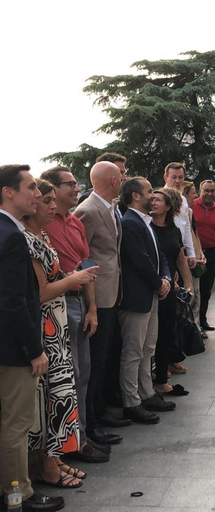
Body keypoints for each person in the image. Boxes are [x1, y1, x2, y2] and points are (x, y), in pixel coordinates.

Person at [24, 179, 100, 489]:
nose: (53, 206)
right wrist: (74, 279)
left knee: (60, 393)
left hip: (55, 325)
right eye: (46, 201)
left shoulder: (40, 233)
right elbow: (40, 292)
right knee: (48, 397)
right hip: (45, 326)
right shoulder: (26, 238)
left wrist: (72, 278)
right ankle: (46, 463)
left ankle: (54, 457)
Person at [0, 164, 64, 512]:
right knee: (16, 425)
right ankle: (17, 496)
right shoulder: (11, 235)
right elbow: (13, 302)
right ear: (8, 192)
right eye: (30, 188)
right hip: (13, 350)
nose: (37, 195)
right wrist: (34, 350)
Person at [39, 166, 107, 464]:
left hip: (78, 301)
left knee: (83, 372)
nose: (77, 188)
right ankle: (68, 444)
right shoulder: (41, 225)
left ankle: (78, 436)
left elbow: (85, 267)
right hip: (56, 304)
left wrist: (92, 308)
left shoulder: (74, 222)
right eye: (70, 184)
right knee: (68, 376)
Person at [74, 161, 130, 440]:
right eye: (121, 176)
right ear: (112, 180)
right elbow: (82, 258)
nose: (124, 178)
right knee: (94, 360)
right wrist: (91, 302)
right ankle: (92, 421)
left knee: (104, 356)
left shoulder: (109, 207)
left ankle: (100, 411)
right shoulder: (88, 210)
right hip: (98, 296)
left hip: (112, 291)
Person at [117, 178, 173, 425]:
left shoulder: (145, 222)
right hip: (136, 297)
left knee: (147, 348)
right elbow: (139, 260)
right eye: (150, 191)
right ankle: (131, 402)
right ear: (135, 196)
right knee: (132, 351)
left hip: (150, 294)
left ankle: (147, 393)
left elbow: (159, 254)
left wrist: (166, 277)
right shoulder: (129, 223)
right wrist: (159, 282)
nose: (154, 196)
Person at [149, 189, 193, 396]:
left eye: (157, 199)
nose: (152, 201)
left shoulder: (174, 230)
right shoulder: (145, 227)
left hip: (171, 288)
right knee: (151, 336)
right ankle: (156, 374)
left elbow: (179, 256)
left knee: (167, 331)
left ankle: (162, 375)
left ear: (168, 207)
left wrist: (188, 282)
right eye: (152, 198)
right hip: (153, 287)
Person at [191, 180, 215, 332]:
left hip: (211, 252)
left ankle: (203, 319)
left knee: (206, 288)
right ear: (200, 191)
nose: (209, 194)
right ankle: (192, 322)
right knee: (193, 288)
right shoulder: (192, 206)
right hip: (195, 253)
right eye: (206, 190)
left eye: (212, 191)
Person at [181, 181, 205, 341]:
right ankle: (191, 330)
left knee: (197, 294)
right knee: (190, 295)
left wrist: (200, 252)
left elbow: (193, 234)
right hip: (187, 259)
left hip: (194, 256)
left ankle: (195, 327)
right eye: (193, 193)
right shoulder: (182, 213)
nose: (195, 196)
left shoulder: (189, 212)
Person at [162, 163, 196, 269]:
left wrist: (191, 253)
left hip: (182, 250)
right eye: (174, 177)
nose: (177, 181)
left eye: (180, 177)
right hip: (166, 251)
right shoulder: (159, 197)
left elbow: (186, 227)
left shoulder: (183, 200)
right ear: (166, 177)